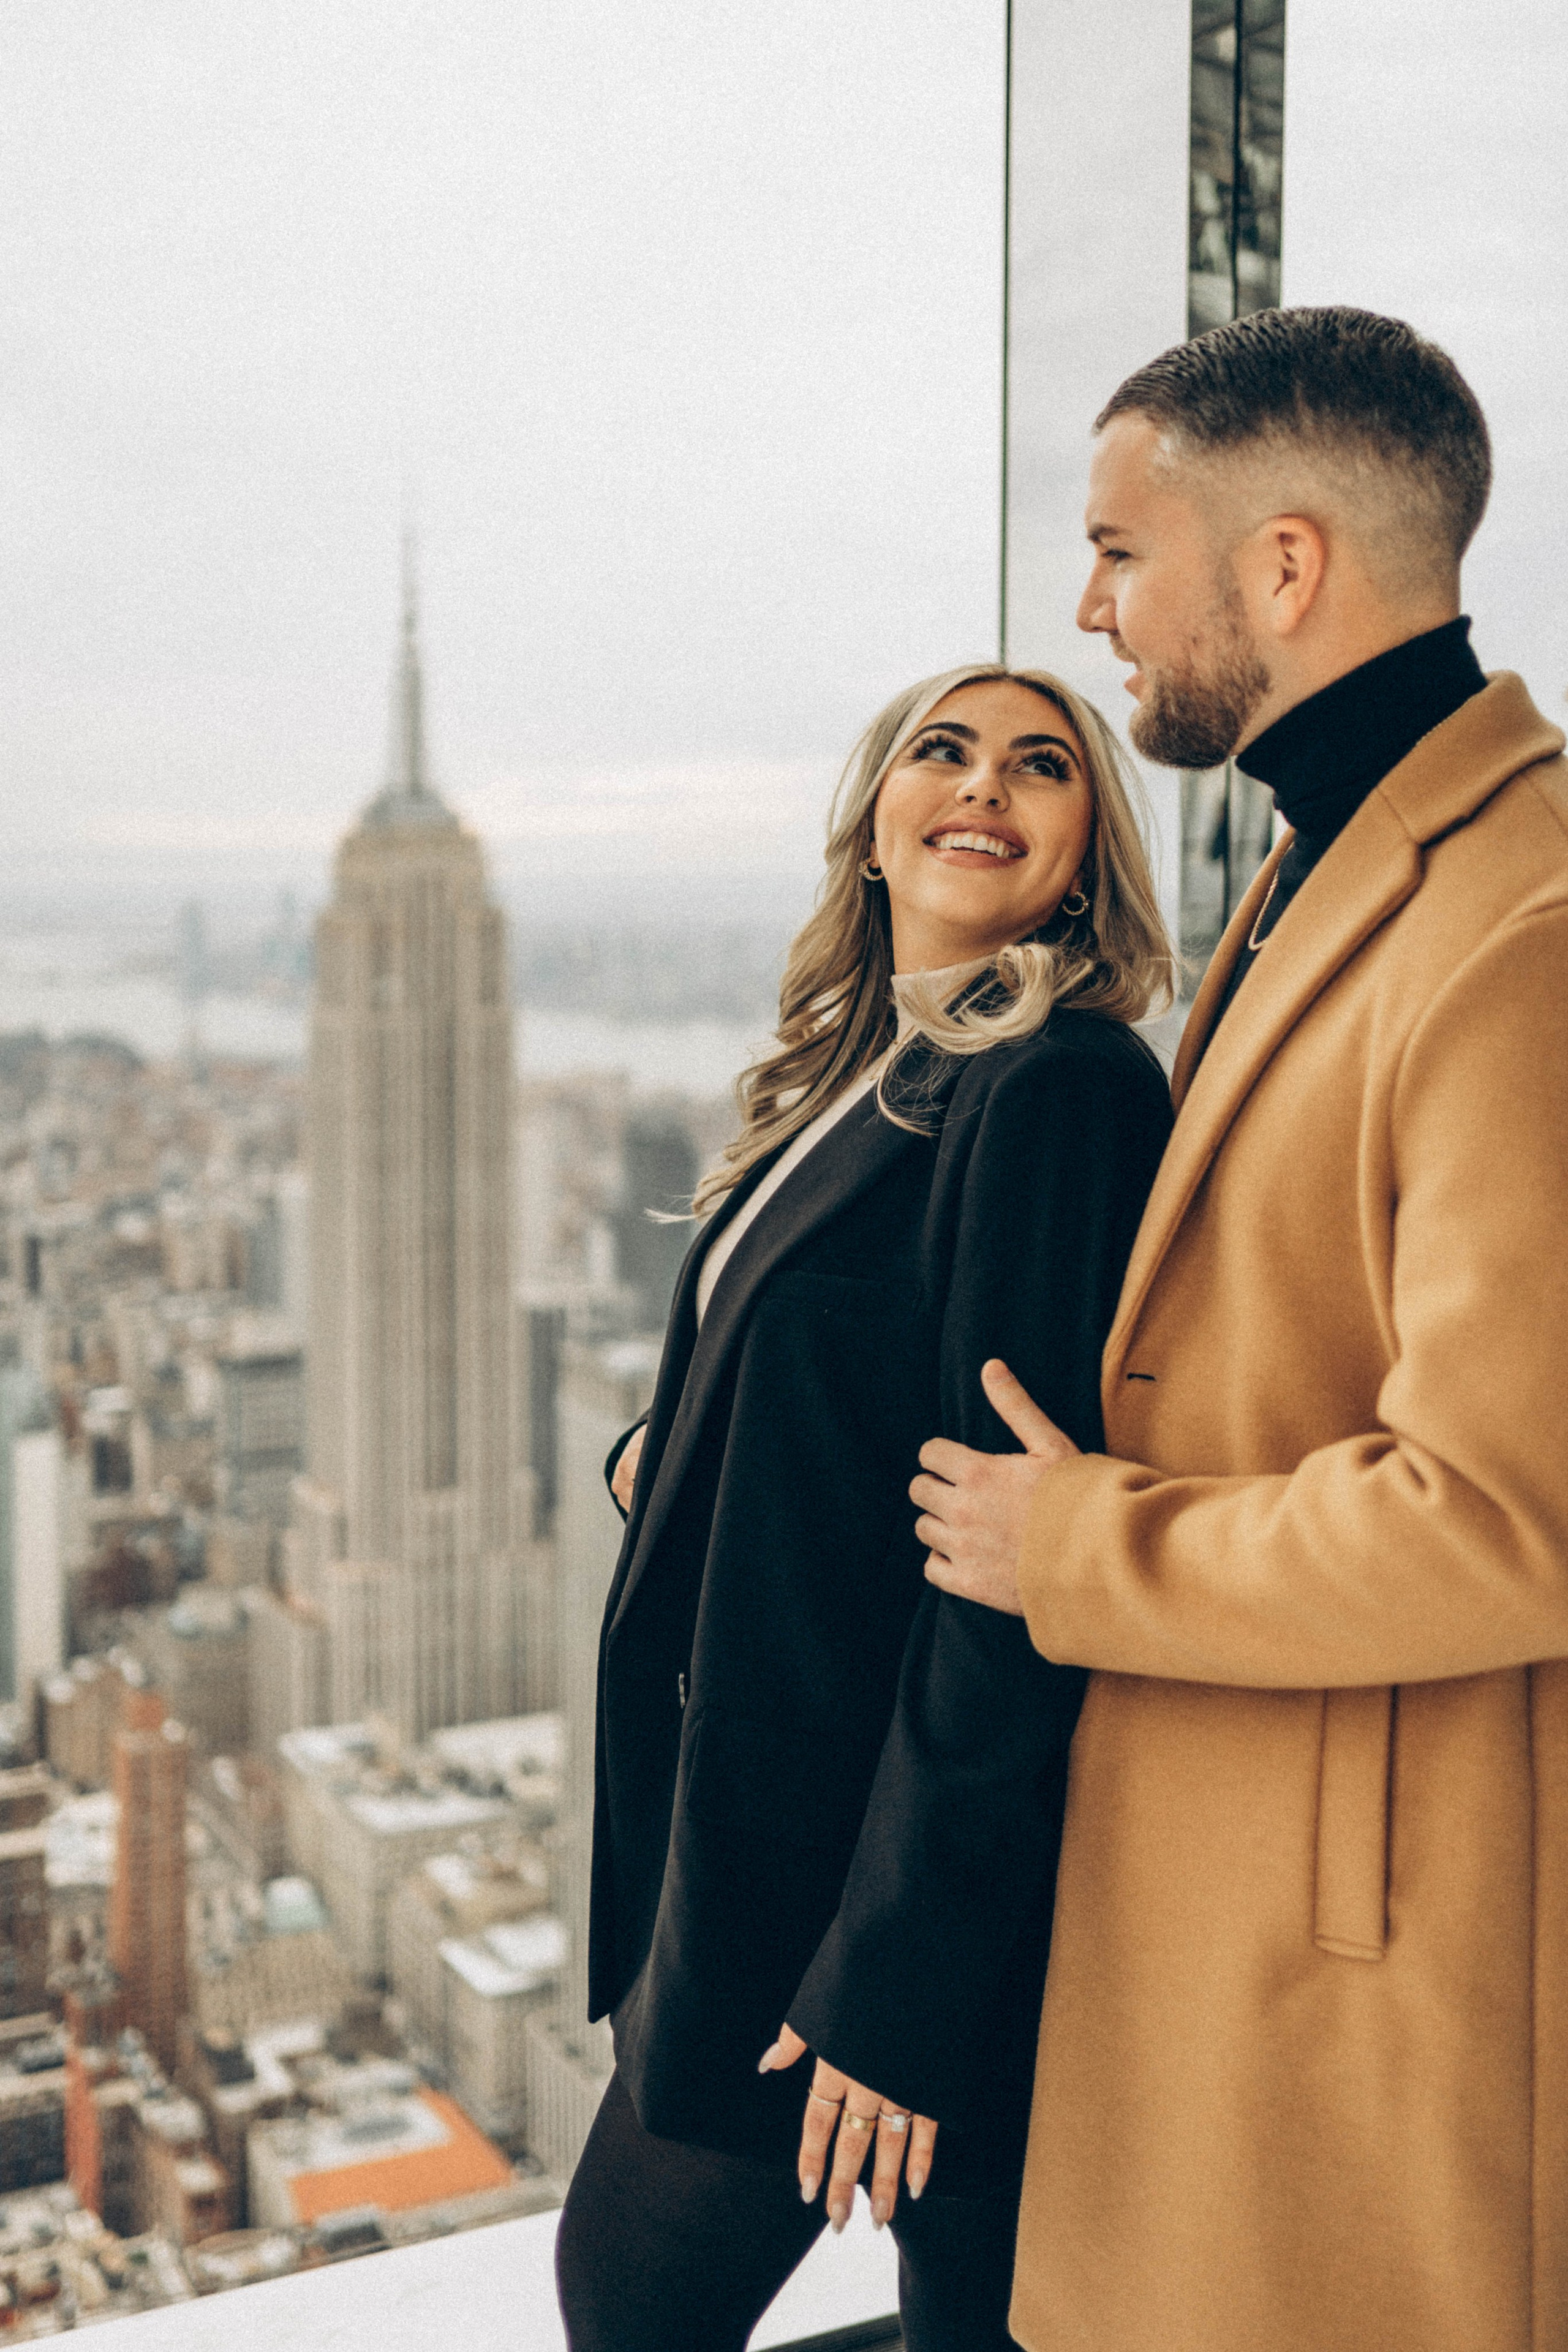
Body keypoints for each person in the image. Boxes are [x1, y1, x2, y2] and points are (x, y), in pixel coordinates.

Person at [915, 306, 1568, 2352]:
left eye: (1123, 550)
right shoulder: (1328, 853)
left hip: (1351, 1951)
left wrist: (1082, 1551)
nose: (1090, 608)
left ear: (1283, 567)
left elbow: (1503, 1513)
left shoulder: (1521, 931)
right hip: (1229, 1887)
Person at [554, 663, 1174, 2352]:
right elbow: (850, 1385)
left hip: (867, 1894)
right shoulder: (866, 1070)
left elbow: (1010, 1554)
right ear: (878, 822)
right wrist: (677, 1443)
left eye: (1042, 765)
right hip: (767, 1849)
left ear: (1084, 860)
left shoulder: (1055, 1086)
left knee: (636, 2306)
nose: (985, 783)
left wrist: (893, 1986)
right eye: (943, 750)